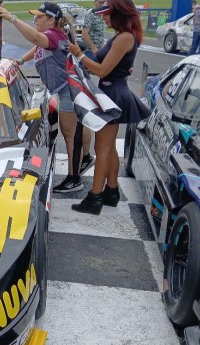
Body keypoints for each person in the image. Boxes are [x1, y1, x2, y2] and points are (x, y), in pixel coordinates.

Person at [0, 2, 91, 193]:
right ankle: (85, 157)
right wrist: (21, 60)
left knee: (70, 135)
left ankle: (74, 179)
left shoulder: (52, 35)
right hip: (71, 88)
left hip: (68, 91)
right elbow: (39, 47)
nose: (35, 19)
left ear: (51, 20)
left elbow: (37, 39)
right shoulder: (53, 35)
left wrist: (13, 19)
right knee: (77, 130)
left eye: (39, 16)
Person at [67, 0, 151, 215]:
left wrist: (79, 54)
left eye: (107, 14)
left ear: (120, 14)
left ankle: (94, 198)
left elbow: (103, 70)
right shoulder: (121, 36)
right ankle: (111, 191)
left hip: (112, 93)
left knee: (101, 148)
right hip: (110, 92)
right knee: (109, 146)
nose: (103, 18)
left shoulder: (124, 38)